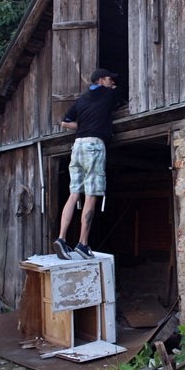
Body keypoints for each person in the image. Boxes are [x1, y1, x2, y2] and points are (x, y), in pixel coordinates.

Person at [54, 68, 121, 260]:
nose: (112, 82)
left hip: (78, 146)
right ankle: (83, 244)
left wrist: (83, 124)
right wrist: (113, 89)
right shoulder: (110, 93)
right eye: (110, 78)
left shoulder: (81, 100)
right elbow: (119, 94)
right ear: (101, 80)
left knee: (74, 193)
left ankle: (61, 238)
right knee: (91, 195)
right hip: (94, 145)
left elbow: (65, 123)